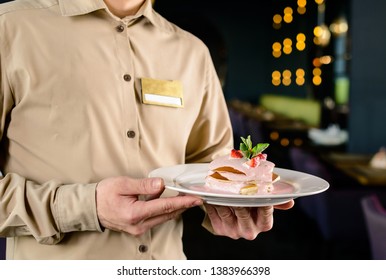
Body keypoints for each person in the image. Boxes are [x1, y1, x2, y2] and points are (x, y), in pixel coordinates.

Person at [0, 0, 294, 260]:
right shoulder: (10, 28)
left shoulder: (192, 52)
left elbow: (209, 167)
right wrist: (84, 207)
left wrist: (232, 205)